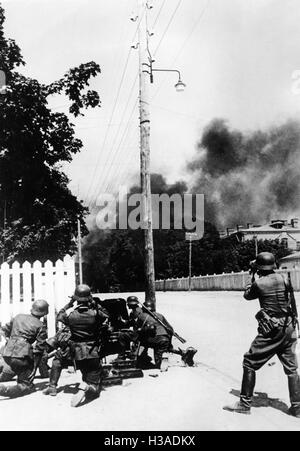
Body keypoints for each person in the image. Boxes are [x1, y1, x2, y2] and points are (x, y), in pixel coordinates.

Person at [224, 252, 300, 417]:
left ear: (259, 267)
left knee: (249, 362)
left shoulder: (259, 284)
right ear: (273, 265)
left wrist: (252, 274)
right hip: (288, 327)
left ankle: (244, 404)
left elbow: (247, 295)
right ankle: (297, 407)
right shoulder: (284, 279)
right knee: (292, 369)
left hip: (272, 330)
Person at [55, 284, 109, 407]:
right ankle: (88, 387)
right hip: (92, 350)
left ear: (76, 298)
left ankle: (86, 382)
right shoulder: (95, 313)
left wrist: (70, 303)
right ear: (88, 298)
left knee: (86, 372)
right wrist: (94, 302)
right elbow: (106, 314)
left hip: (77, 352)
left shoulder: (70, 315)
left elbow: (59, 315)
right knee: (95, 385)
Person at [127, 296, 197, 370]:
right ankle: (182, 353)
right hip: (165, 338)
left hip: (154, 339)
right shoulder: (160, 315)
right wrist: (169, 343)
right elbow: (170, 329)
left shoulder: (141, 316)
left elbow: (139, 331)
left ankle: (145, 358)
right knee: (162, 346)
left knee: (142, 341)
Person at [0, 299, 49, 398]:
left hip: (7, 354)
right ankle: (4, 390)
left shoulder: (18, 317)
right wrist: (34, 368)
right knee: (27, 386)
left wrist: (11, 341)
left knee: (13, 370)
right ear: (44, 313)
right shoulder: (41, 326)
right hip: (22, 357)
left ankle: (9, 375)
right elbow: (39, 350)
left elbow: (5, 330)